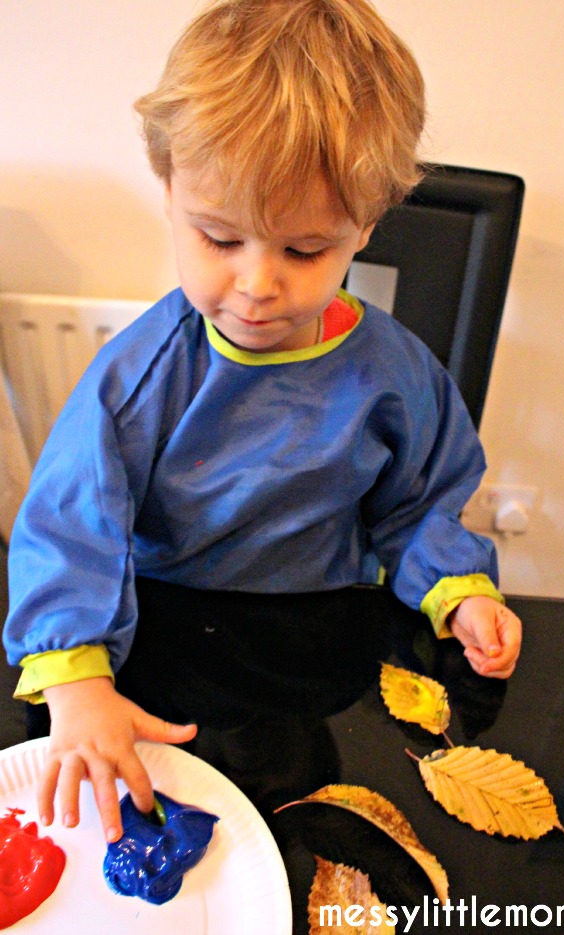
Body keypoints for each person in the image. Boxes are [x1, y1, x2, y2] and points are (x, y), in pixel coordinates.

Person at [3, 0, 521, 844]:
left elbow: (421, 503)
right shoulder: (140, 377)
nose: (255, 285)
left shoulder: (396, 375)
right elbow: (70, 528)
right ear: (169, 190)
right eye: (219, 238)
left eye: (304, 251)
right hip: (158, 643)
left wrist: (459, 589)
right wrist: (77, 682)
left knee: (295, 826)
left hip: (317, 653)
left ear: (366, 224)